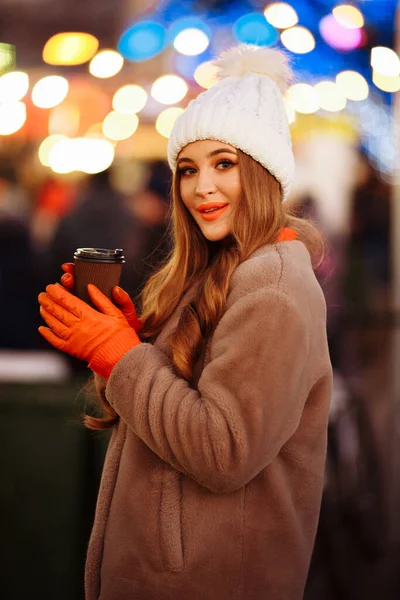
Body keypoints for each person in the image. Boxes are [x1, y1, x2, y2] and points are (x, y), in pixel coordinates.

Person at [38, 44, 333, 600]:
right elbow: (182, 408)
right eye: (189, 170)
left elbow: (223, 451)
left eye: (226, 164)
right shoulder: (224, 271)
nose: (202, 188)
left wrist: (120, 355)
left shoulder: (271, 287)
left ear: (265, 173)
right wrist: (131, 344)